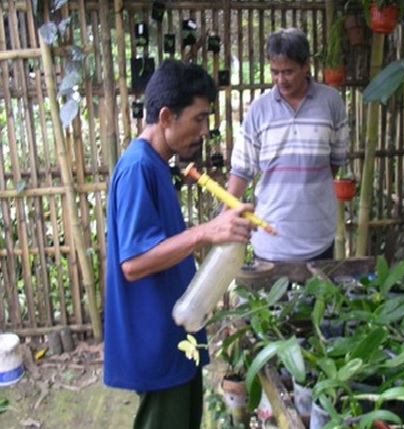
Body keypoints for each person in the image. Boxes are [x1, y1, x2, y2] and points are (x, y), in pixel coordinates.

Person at [103, 59, 254, 429]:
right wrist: (206, 232)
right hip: (156, 340)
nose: (204, 130)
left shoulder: (156, 163)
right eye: (198, 119)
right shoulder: (138, 167)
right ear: (167, 116)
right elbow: (134, 263)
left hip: (175, 334)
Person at [226, 28, 350, 262]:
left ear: (306, 66)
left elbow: (335, 161)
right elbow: (242, 169)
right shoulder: (259, 109)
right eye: (274, 72)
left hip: (318, 238)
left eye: (288, 72)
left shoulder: (331, 103)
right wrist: (224, 216)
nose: (280, 79)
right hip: (270, 241)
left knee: (318, 299)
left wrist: (307, 186)